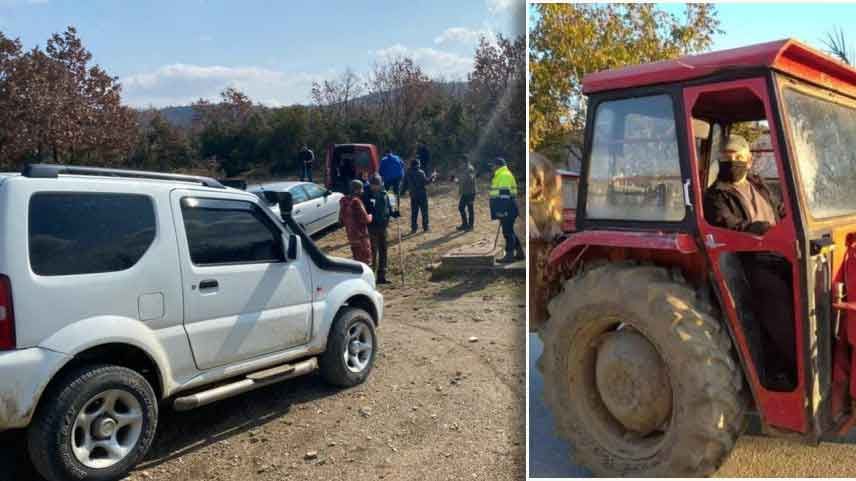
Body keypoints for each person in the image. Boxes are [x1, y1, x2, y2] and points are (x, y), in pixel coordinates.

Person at [703, 134, 793, 390]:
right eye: (726, 158)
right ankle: (784, 368)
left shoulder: (759, 184)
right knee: (777, 301)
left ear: (750, 160)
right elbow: (729, 225)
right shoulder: (715, 195)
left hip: (778, 252)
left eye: (738, 157)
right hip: (749, 259)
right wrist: (763, 229)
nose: (732, 162)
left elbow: (781, 210)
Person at [364, 174, 397, 284]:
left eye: (378, 185)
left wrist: (393, 213)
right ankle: (371, 277)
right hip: (372, 227)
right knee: (373, 252)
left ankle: (382, 276)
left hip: (383, 226)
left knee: (383, 250)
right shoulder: (366, 195)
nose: (377, 187)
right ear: (371, 185)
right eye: (375, 185)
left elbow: (389, 207)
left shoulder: (385, 193)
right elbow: (364, 211)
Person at [490, 157, 523, 263]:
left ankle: (509, 255)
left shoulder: (503, 175)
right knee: (510, 231)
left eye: (493, 165)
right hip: (509, 207)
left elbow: (504, 195)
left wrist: (502, 211)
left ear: (497, 165)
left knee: (507, 232)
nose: (492, 168)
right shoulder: (503, 174)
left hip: (507, 208)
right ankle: (520, 253)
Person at [339, 179, 372, 264]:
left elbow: (341, 220)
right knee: (365, 258)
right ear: (356, 190)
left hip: (351, 235)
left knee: (356, 257)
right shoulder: (356, 202)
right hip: (361, 235)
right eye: (361, 189)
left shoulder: (343, 201)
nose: (363, 191)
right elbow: (365, 219)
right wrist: (371, 216)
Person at [402, 158, 430, 234]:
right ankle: (425, 227)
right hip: (422, 194)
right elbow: (426, 182)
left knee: (414, 212)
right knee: (424, 211)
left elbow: (404, 184)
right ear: (417, 164)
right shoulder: (421, 172)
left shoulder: (407, 173)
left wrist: (401, 193)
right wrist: (432, 178)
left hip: (413, 195)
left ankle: (414, 228)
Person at [457, 160, 476, 231]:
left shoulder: (470, 169)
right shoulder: (463, 169)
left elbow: (471, 179)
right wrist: (457, 180)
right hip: (465, 193)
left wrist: (461, 179)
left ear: (465, 162)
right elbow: (462, 179)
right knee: (461, 207)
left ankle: (471, 226)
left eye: (461, 162)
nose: (460, 163)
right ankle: (464, 224)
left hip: (470, 193)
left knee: (470, 209)